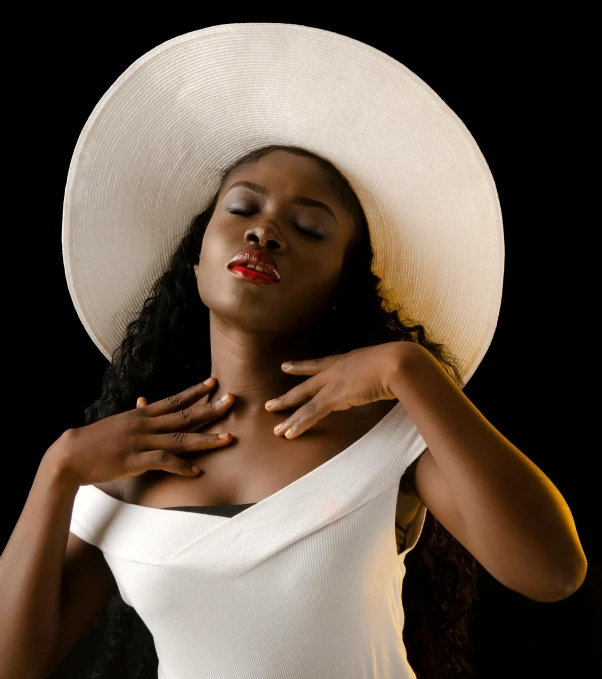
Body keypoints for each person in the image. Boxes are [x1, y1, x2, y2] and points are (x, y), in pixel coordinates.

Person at [0, 24, 587, 679]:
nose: (265, 229)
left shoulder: (391, 437)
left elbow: (553, 572)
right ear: (195, 265)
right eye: (243, 207)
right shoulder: (128, 458)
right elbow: (17, 664)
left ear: (343, 284)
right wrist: (59, 469)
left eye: (309, 228)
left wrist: (410, 370)